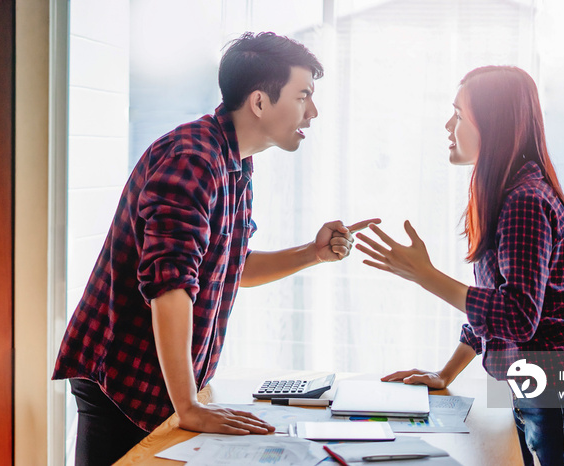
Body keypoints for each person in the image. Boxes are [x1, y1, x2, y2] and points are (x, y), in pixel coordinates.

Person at [53, 31, 379, 465]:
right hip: (125, 378)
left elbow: (231, 268)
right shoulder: (194, 158)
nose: (313, 111)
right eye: (304, 96)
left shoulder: (235, 160)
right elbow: (170, 284)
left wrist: (312, 254)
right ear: (260, 102)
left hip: (165, 382)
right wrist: (189, 406)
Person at [355, 66, 564, 466]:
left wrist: (425, 276)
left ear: (492, 125)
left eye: (459, 114)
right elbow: (497, 308)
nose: (449, 125)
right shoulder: (509, 194)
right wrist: (445, 374)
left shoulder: (524, 202)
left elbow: (516, 316)